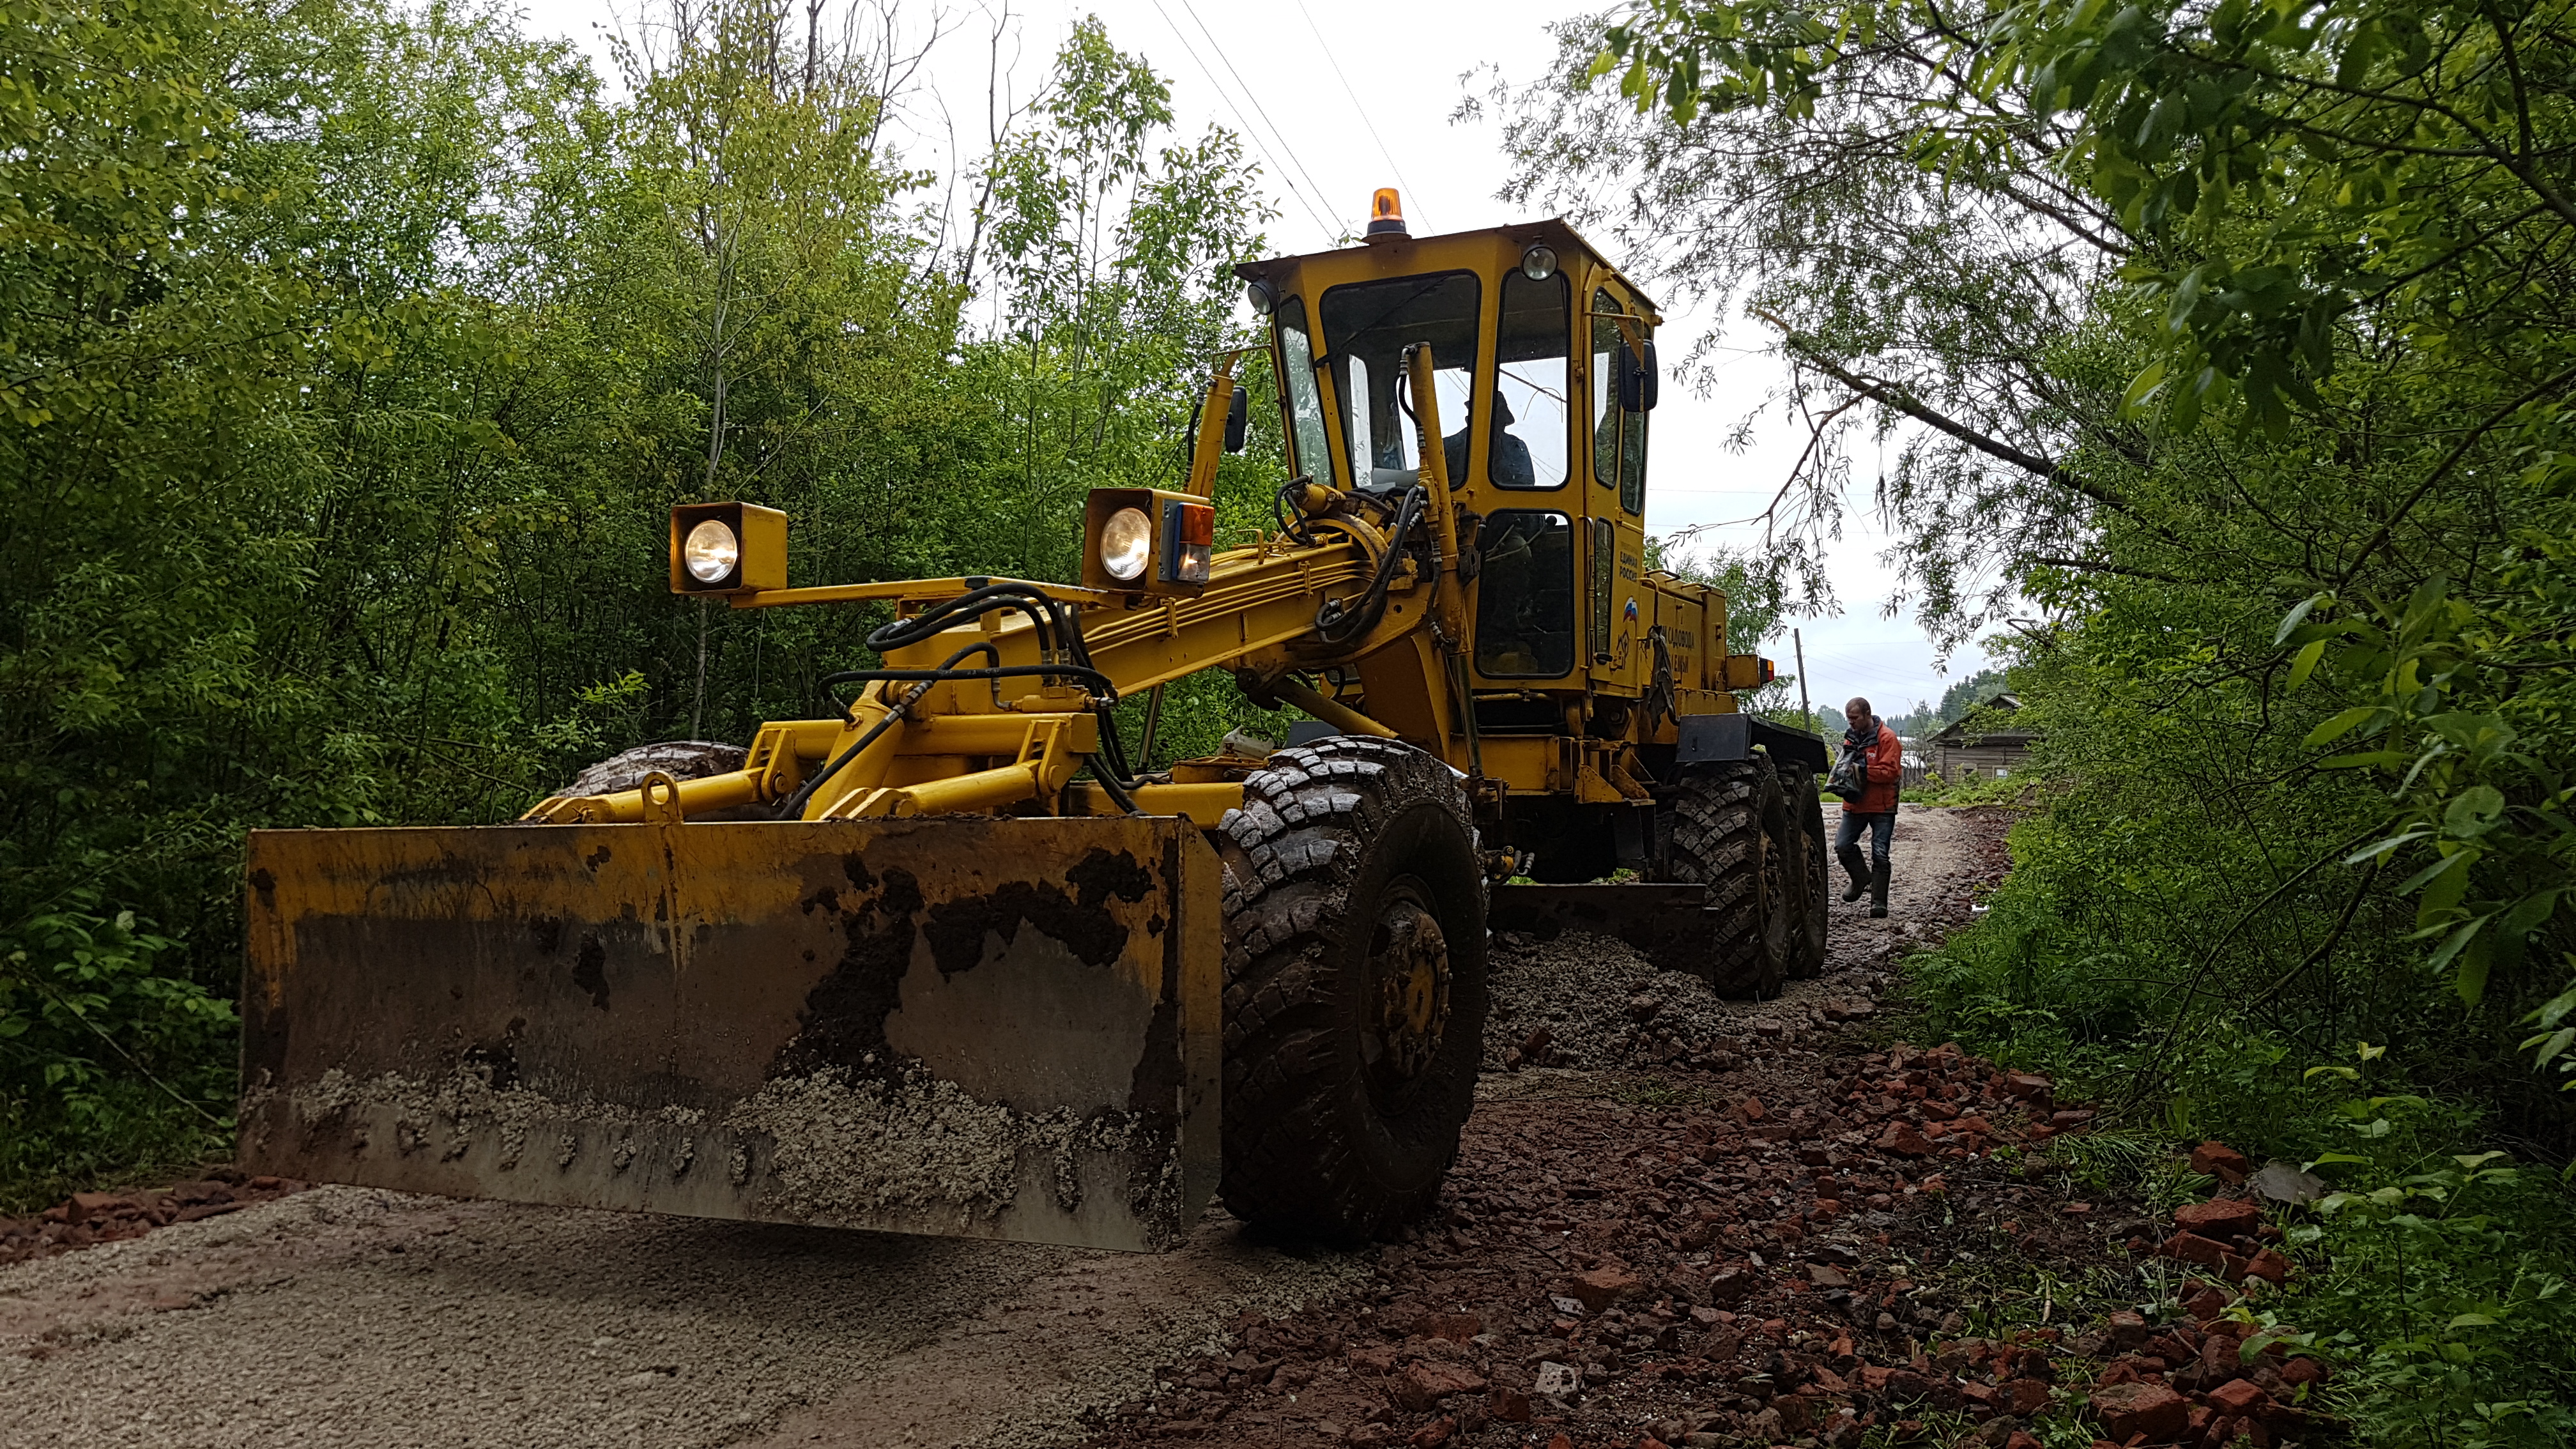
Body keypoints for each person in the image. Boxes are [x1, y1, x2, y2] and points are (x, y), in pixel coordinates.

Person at [1836, 696, 1904, 917]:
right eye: (1848, 719)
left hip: (1883, 807)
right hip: (1855, 804)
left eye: (1854, 718)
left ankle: (1878, 904)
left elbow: (1891, 772)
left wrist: (1862, 771)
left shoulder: (1887, 738)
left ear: (1867, 714)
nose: (1851, 723)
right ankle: (1861, 878)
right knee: (1843, 846)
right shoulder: (1850, 738)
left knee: (1880, 854)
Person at [1444, 393, 1535, 487]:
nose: (1500, 428)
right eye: (1497, 422)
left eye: (1502, 423)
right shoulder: (1445, 448)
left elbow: (1525, 485)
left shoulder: (1515, 446)